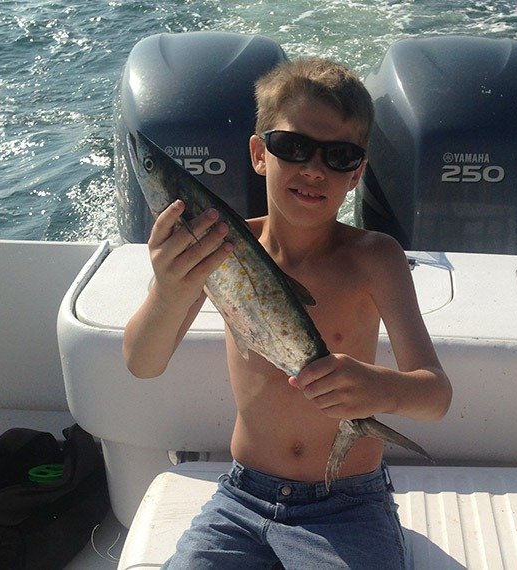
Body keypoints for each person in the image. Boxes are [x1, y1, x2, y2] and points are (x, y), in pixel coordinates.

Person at [122, 57, 453, 569]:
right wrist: (168, 290)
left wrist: (380, 388)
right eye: (293, 147)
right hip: (242, 497)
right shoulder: (216, 248)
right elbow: (142, 363)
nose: (314, 169)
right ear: (260, 153)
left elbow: (435, 396)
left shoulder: (376, 259)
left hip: (348, 505)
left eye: (339, 156)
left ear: (357, 173)